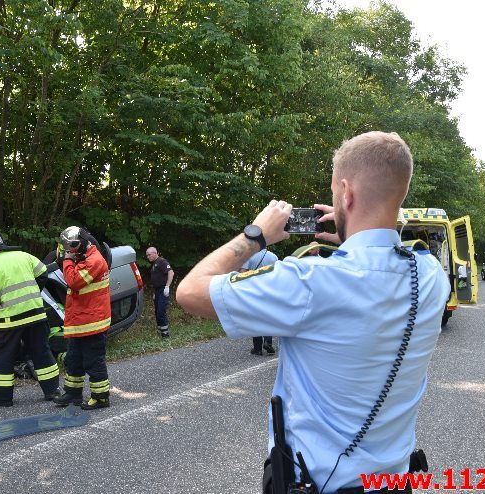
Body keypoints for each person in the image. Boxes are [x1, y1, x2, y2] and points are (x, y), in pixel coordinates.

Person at [176, 132, 450, 493]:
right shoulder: (430, 275)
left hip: (316, 485)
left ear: (346, 192)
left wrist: (256, 235)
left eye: (338, 192)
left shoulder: (308, 281)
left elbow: (190, 292)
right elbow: (386, 252)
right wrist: (358, 228)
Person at [0, 231, 60, 407]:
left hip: (8, 320)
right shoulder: (24, 256)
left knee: (3, 357)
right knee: (42, 352)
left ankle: (2, 398)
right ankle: (52, 391)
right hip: (36, 313)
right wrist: (34, 292)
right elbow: (43, 274)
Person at [53, 226, 112, 410]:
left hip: (92, 322)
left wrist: (67, 261)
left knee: (93, 361)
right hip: (80, 321)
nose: (68, 251)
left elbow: (74, 281)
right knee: (74, 359)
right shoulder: (84, 257)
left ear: (80, 244)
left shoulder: (94, 261)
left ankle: (101, 397)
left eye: (70, 247)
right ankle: (73, 393)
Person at [240, 248, 278, 355]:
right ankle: (268, 342)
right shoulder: (273, 256)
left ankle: (258, 348)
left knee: (255, 318)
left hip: (254, 291)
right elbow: (279, 274)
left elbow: (242, 274)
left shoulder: (249, 256)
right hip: (269, 291)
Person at [145, 246, 174, 338]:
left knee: (161, 311)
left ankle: (165, 334)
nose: (148, 257)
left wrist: (167, 286)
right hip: (157, 290)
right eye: (147, 255)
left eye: (149, 255)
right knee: (157, 311)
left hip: (163, 289)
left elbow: (171, 272)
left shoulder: (162, 261)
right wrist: (155, 292)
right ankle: (161, 331)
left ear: (155, 253)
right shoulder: (154, 264)